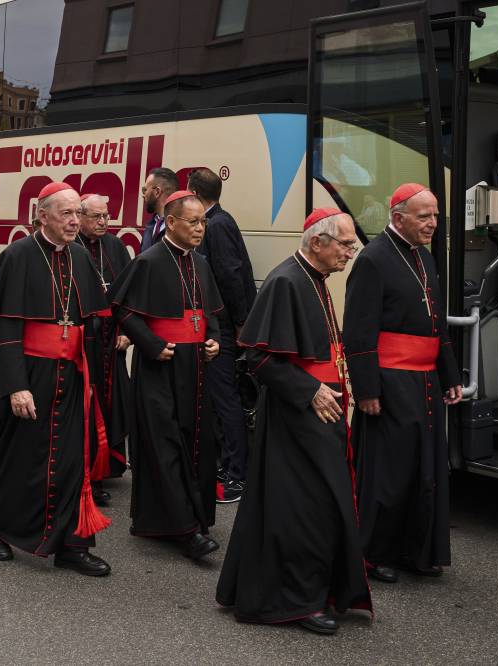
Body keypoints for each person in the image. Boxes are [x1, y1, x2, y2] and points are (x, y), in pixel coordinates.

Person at [216, 208, 371, 635]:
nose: (350, 252)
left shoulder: (316, 280)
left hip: (321, 413)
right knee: (305, 509)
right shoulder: (286, 281)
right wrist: (311, 391)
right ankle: (297, 601)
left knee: (319, 505)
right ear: (317, 242)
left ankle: (320, 588)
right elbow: (258, 357)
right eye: (344, 244)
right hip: (296, 416)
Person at [0, 182, 113, 577]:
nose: (73, 221)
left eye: (76, 213)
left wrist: (94, 376)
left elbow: (88, 323)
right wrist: (16, 385)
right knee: (15, 457)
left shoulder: (81, 256)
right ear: (41, 215)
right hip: (30, 372)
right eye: (66, 213)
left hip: (71, 373)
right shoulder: (17, 255)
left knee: (70, 461)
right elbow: (9, 327)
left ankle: (71, 544)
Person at [344, 184, 462, 584]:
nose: (432, 224)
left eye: (435, 216)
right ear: (398, 218)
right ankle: (373, 554)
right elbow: (359, 331)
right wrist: (367, 390)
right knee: (387, 474)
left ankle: (417, 549)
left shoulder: (425, 257)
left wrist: (450, 375)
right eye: (424, 217)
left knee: (424, 470)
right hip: (390, 383)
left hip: (425, 381)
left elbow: (437, 323)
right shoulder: (374, 260)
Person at [110, 191, 222, 560]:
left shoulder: (201, 264)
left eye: (203, 222)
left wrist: (214, 340)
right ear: (171, 222)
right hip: (161, 366)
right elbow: (123, 310)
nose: (200, 229)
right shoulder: (149, 260)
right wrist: (150, 343)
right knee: (165, 444)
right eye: (193, 222)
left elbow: (211, 314)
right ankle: (184, 530)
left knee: (196, 442)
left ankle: (190, 516)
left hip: (196, 366)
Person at [190, 167, 256, 503]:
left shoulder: (216, 225)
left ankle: (236, 475)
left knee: (226, 398)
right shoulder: (219, 220)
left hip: (226, 327)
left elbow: (231, 276)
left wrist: (242, 323)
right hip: (227, 324)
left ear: (196, 194)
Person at [76, 192, 133, 503]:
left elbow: (128, 292)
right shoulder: (73, 249)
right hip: (86, 341)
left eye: (107, 216)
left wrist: (126, 331)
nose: (103, 223)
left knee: (114, 406)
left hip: (112, 340)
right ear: (81, 217)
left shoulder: (114, 246)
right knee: (89, 406)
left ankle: (109, 464)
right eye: (96, 217)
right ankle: (89, 476)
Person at [139, 167, 179, 252]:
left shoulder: (179, 228)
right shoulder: (150, 226)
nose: (143, 195)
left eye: (144, 190)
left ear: (157, 192)